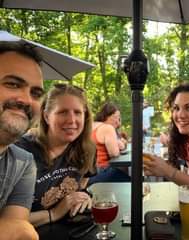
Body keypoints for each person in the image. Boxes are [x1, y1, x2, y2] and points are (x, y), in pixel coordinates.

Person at [15, 84, 96, 227]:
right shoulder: (19, 152)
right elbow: (6, 219)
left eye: (77, 112)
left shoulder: (87, 150)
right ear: (46, 116)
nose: (71, 120)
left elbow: (81, 185)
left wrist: (82, 197)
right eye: (63, 112)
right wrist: (54, 213)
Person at [0, 42, 44, 240]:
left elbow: (17, 230)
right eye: (13, 84)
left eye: (35, 93)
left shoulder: (23, 162)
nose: (26, 100)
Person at [88, 102, 130, 185]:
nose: (118, 122)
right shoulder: (107, 128)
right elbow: (114, 154)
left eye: (119, 119)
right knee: (135, 184)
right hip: (100, 172)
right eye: (116, 118)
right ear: (107, 116)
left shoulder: (92, 125)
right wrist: (121, 144)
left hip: (87, 175)